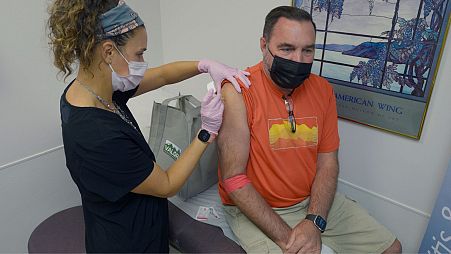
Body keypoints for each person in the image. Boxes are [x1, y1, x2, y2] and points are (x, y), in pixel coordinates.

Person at [47, 0, 250, 252]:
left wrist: (204, 66)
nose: (143, 61)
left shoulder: (95, 90)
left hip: (133, 224)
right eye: (139, 53)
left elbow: (163, 75)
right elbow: (166, 184)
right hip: (127, 242)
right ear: (109, 52)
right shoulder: (97, 135)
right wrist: (205, 132)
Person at [217, 6, 402, 254]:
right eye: (286, 49)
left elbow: (328, 162)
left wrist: (314, 221)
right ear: (264, 45)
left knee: (392, 249)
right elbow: (234, 180)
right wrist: (289, 240)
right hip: (257, 208)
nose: (298, 60)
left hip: (309, 202)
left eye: (307, 50)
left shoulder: (322, 90)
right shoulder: (239, 91)